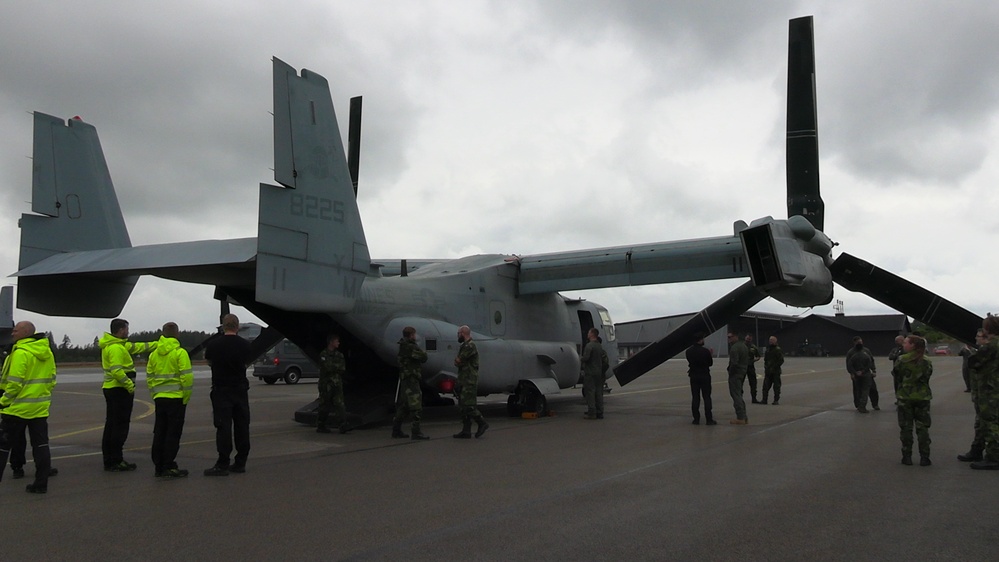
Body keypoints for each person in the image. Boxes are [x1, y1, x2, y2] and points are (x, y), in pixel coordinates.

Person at [0, 321, 56, 493]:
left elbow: (15, 383)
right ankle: (41, 483)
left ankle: (16, 470)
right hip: (39, 408)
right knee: (41, 446)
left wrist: (3, 402)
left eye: (16, 331)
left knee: (2, 447)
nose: (12, 334)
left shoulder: (21, 353)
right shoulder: (46, 352)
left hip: (17, 409)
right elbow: (52, 378)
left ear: (25, 333)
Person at [100, 318, 157, 471]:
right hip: (119, 390)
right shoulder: (116, 349)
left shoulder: (117, 345)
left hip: (113, 389)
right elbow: (116, 370)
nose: (128, 332)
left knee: (112, 424)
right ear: (121, 330)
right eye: (126, 329)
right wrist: (129, 385)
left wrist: (159, 344)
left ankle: (110, 458)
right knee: (119, 425)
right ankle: (116, 459)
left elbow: (139, 347)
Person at [203, 314, 253, 476]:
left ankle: (223, 462)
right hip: (240, 389)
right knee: (242, 426)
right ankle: (241, 461)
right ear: (237, 327)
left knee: (223, 427)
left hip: (221, 389)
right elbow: (247, 361)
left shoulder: (213, 345)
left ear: (223, 326)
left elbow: (209, 361)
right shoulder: (245, 345)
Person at [146, 322, 193, 478]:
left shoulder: (154, 354)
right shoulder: (180, 353)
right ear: (177, 334)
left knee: (159, 431)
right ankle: (168, 465)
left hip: (160, 399)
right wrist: (185, 398)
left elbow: (150, 377)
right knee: (173, 433)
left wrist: (155, 394)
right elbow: (186, 378)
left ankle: (158, 465)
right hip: (176, 399)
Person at [892, 335, 933, 466]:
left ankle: (907, 456)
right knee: (923, 428)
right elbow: (927, 376)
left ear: (913, 345)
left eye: (906, 343)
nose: (904, 345)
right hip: (922, 397)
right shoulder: (926, 361)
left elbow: (897, 375)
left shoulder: (902, 360)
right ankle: (925, 457)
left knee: (906, 428)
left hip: (905, 397)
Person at [970, 315, 999, 470]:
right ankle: (978, 450)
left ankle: (994, 457)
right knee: (985, 421)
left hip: (990, 389)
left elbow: (973, 361)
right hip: (993, 387)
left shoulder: (991, 345)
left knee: (990, 422)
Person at [392, 326, 429, 440]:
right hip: (412, 379)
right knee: (416, 405)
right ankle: (416, 431)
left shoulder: (402, 345)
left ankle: (396, 430)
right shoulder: (411, 347)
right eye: (414, 334)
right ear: (411, 335)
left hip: (405, 379)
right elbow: (424, 357)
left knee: (404, 405)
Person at [454, 325, 488, 438]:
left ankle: (481, 422)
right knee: (463, 406)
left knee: (469, 405)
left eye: (459, 333)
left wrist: (459, 361)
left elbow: (458, 360)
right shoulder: (464, 346)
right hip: (464, 379)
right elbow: (458, 361)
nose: (458, 335)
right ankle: (466, 430)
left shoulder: (470, 346)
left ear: (463, 333)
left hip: (469, 380)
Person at [958, 329, 988, 462]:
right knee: (980, 423)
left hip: (988, 395)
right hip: (980, 394)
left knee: (988, 424)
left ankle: (992, 455)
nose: (976, 339)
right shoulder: (981, 352)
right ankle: (976, 450)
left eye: (979, 336)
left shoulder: (989, 352)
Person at [317, 333, 351, 434]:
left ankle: (343, 425)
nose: (338, 343)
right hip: (326, 384)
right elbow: (326, 367)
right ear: (331, 342)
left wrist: (333, 367)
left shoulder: (339, 355)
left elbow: (342, 368)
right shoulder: (323, 354)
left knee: (340, 404)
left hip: (337, 384)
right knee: (324, 405)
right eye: (337, 341)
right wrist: (335, 367)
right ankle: (321, 424)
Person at [685, 332, 715, 425]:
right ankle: (709, 419)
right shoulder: (705, 351)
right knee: (707, 397)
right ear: (700, 340)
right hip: (704, 375)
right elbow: (710, 363)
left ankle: (696, 419)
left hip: (694, 376)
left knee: (695, 397)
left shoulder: (688, 351)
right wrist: (710, 355)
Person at [846, 336, 878, 413]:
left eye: (861, 342)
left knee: (873, 389)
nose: (860, 343)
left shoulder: (866, 350)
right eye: (858, 342)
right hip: (856, 374)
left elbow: (871, 361)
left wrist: (873, 370)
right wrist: (852, 373)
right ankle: (859, 405)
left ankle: (875, 404)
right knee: (857, 391)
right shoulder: (851, 352)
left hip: (867, 373)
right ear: (854, 343)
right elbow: (848, 364)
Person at [581, 328, 605, 420]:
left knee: (590, 392)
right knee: (599, 392)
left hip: (590, 373)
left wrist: (580, 358)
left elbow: (586, 358)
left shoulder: (589, 345)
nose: (587, 334)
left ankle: (591, 412)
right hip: (598, 372)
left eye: (588, 332)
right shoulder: (599, 346)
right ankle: (600, 412)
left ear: (592, 334)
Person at [727, 332, 749, 425]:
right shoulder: (744, 346)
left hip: (736, 374)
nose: (729, 339)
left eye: (730, 337)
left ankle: (740, 417)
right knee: (739, 394)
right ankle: (744, 416)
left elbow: (734, 363)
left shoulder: (734, 348)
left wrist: (730, 371)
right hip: (742, 372)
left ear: (736, 337)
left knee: (736, 395)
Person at [761, 336, 784, 405]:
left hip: (775, 371)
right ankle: (764, 399)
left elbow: (781, 360)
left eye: (772, 340)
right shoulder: (768, 349)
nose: (770, 341)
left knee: (776, 386)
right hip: (768, 371)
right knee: (765, 386)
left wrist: (774, 367)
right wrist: (766, 367)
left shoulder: (777, 350)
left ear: (775, 341)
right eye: (770, 340)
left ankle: (776, 400)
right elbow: (766, 359)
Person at [744, 335, 761, 404]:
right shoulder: (741, 346)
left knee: (753, 383)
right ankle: (739, 398)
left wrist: (753, 360)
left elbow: (758, 356)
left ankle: (754, 398)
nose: (748, 339)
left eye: (750, 338)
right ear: (745, 338)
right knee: (740, 382)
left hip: (750, 366)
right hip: (742, 366)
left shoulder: (753, 347)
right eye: (747, 338)